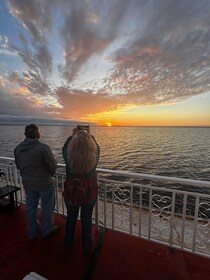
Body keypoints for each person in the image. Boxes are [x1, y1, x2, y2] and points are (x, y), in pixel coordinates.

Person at [14, 124, 61, 240]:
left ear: (25, 135)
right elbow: (53, 167)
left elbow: (18, 166)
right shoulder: (43, 148)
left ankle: (32, 231)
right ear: (38, 135)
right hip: (45, 183)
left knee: (30, 207)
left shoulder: (17, 149)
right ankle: (47, 229)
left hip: (28, 183)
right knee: (47, 206)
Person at [62, 125, 100, 256]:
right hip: (89, 193)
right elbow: (97, 148)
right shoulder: (93, 157)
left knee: (71, 219)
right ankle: (87, 247)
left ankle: (67, 244)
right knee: (86, 219)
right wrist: (90, 135)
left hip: (71, 192)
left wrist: (72, 135)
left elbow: (64, 148)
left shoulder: (68, 157)